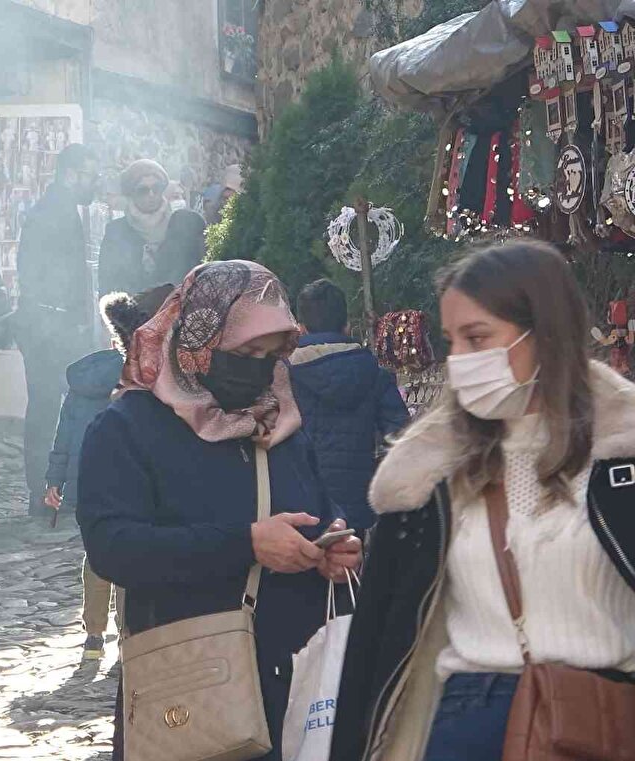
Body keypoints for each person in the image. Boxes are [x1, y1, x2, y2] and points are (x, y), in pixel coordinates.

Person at [331, 241, 635, 761]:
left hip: (598, 720)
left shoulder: (620, 458)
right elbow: (373, 653)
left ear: (544, 333)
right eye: (451, 342)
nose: (460, 362)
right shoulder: (425, 478)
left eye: (478, 338)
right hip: (465, 722)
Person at [76, 260, 362, 761]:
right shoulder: (129, 427)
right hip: (192, 683)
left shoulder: (277, 421)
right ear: (197, 339)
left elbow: (315, 504)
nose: (258, 366)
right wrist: (245, 543)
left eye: (271, 353)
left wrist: (334, 543)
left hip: (292, 684)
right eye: (245, 351)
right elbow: (113, 547)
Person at [45, 285, 174, 660]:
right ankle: (127, 633)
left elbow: (64, 432)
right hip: (133, 476)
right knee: (131, 551)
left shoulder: (84, 380)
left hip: (87, 476)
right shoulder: (146, 373)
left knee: (96, 553)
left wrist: (54, 480)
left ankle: (93, 635)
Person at [16, 143, 100, 519]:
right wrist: (64, 319)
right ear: (72, 173)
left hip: (55, 322)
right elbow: (42, 272)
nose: (94, 183)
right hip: (49, 324)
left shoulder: (61, 209)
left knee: (56, 406)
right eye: (90, 175)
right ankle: (45, 491)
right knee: (50, 408)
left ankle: (52, 489)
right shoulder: (54, 212)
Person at [288, 279, 410, 532]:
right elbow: (402, 439)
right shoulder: (375, 374)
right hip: (360, 504)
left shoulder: (283, 375)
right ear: (346, 326)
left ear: (301, 328)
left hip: (299, 506)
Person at [97, 159, 206, 296]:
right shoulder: (116, 232)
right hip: (135, 314)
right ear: (131, 193)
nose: (151, 194)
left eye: (157, 188)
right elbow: (107, 287)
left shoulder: (186, 224)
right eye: (143, 190)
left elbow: (204, 274)